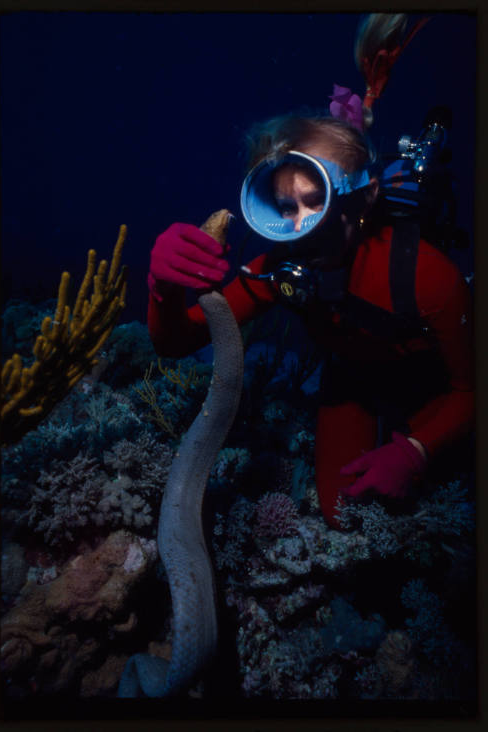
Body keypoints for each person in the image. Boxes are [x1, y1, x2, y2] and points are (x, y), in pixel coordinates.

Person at [146, 14, 474, 528]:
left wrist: (416, 451)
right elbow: (176, 343)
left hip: (434, 386)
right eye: (284, 207)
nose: (298, 227)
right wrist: (163, 289)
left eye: (314, 200)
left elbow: (470, 389)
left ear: (362, 199)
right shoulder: (278, 267)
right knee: (340, 515)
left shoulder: (427, 276)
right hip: (355, 376)